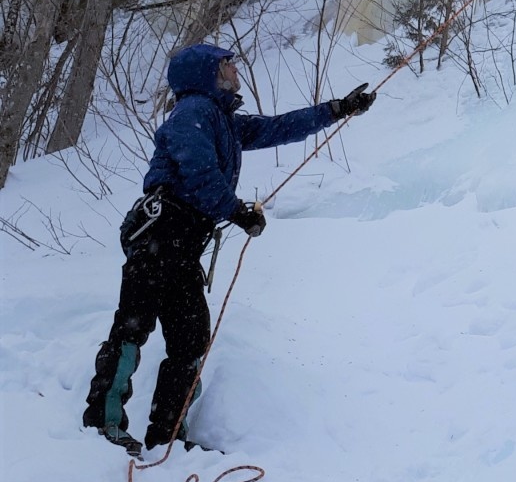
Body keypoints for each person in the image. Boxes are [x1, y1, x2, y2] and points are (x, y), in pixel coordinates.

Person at [82, 44, 375, 456]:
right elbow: (197, 169)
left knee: (190, 340)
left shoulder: (220, 119)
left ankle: (167, 436)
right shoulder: (192, 114)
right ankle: (102, 424)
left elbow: (277, 128)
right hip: (158, 237)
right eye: (227, 63)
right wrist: (235, 211)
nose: (234, 69)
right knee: (133, 328)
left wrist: (337, 109)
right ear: (207, 73)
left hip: (182, 245)